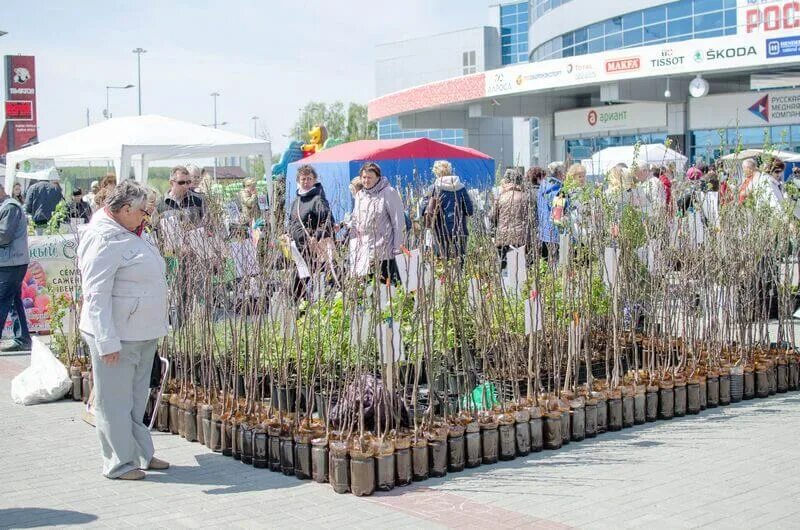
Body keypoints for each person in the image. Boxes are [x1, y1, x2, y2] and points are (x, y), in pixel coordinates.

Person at [77, 180, 169, 480]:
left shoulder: (132, 230)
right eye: (143, 211)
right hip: (117, 336)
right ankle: (118, 463)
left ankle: (141, 452)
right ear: (125, 209)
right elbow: (95, 293)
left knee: (136, 399)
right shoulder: (102, 237)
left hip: (141, 332)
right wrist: (106, 340)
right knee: (114, 402)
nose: (147, 216)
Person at [350, 162, 405, 283]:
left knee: (387, 288)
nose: (366, 180)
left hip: (385, 250)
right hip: (364, 251)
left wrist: (397, 248)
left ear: (378, 178)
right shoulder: (360, 195)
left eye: (370, 177)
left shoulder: (388, 192)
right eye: (364, 177)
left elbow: (398, 222)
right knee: (368, 288)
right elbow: (355, 222)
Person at [286, 165, 335, 296]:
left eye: (309, 179)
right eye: (303, 179)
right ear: (298, 181)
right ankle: (302, 312)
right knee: (296, 287)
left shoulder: (318, 200)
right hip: (298, 249)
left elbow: (328, 221)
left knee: (306, 285)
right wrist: (288, 234)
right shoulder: (295, 202)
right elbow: (291, 221)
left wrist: (317, 235)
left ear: (314, 180)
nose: (306, 182)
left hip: (313, 250)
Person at [420, 160, 474, 263]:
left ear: (436, 173)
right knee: (459, 264)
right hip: (460, 231)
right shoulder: (461, 188)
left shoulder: (433, 189)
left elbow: (423, 210)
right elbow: (469, 211)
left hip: (440, 232)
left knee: (442, 263)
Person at [0, 184, 31, 353]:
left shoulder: (10, 207)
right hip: (11, 262)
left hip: (11, 263)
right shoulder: (7, 206)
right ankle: (23, 338)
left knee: (2, 300)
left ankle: (23, 339)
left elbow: (4, 236)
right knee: (13, 301)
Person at [491, 169, 529, 270]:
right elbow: (530, 218)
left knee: (504, 267)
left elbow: (492, 216)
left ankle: (504, 284)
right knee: (519, 268)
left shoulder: (500, 197)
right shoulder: (525, 197)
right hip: (520, 237)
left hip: (502, 237)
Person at [537, 162, 565, 259]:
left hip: (542, 233)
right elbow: (557, 217)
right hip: (555, 236)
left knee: (544, 266)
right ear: (560, 173)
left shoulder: (542, 187)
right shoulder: (559, 190)